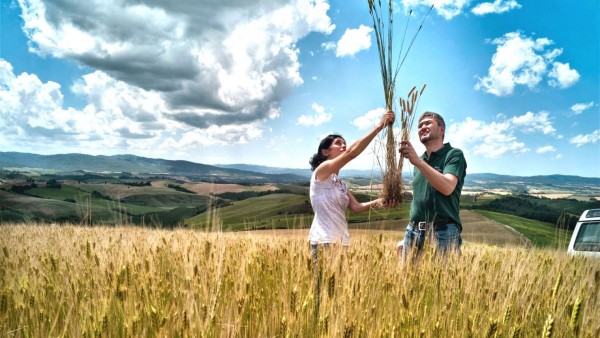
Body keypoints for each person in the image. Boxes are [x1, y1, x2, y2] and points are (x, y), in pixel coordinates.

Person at [308, 110, 396, 258]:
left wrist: (380, 201)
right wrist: (379, 126)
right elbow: (351, 153)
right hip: (324, 240)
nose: (343, 146)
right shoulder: (321, 172)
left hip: (342, 241)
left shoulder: (340, 183)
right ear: (325, 152)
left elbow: (356, 207)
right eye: (338, 143)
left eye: (345, 143)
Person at [399, 111, 467, 258]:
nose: (422, 127)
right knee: (407, 279)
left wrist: (417, 161)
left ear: (441, 129)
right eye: (419, 125)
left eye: (428, 123)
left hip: (444, 231)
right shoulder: (419, 160)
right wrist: (408, 235)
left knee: (442, 280)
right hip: (414, 231)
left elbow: (447, 187)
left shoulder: (453, 154)